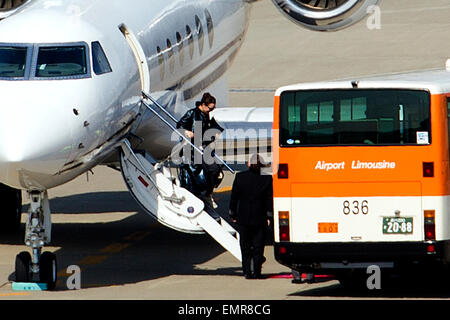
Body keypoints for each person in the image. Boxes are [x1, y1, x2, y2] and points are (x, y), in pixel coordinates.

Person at [229, 154, 273, 279]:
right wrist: (269, 216)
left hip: (243, 217)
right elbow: (269, 200)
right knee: (258, 246)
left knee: (245, 246)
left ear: (249, 164)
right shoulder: (267, 179)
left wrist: (233, 213)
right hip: (260, 217)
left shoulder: (240, 177)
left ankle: (247, 271)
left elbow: (234, 197)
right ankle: (257, 272)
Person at [176, 92, 224, 208]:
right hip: (192, 150)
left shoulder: (205, 114)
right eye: (210, 108)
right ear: (203, 105)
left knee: (216, 170)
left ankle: (208, 193)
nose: (210, 111)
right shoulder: (192, 113)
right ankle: (201, 194)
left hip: (202, 148)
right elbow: (179, 125)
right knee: (197, 174)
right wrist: (186, 132)